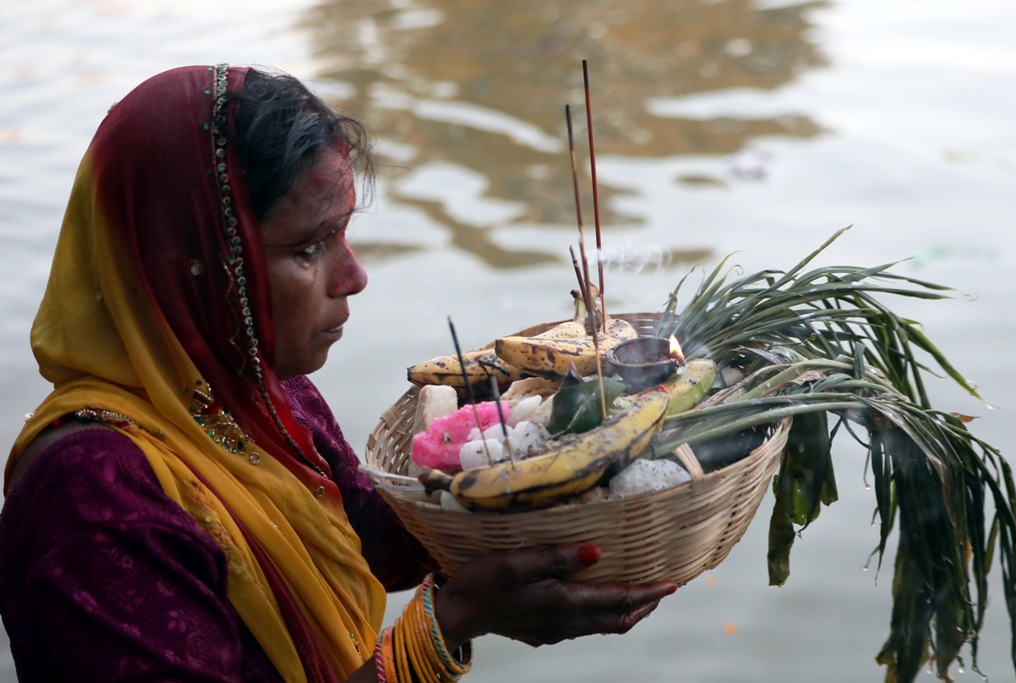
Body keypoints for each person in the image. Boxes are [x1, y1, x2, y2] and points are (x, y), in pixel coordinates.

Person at [0, 64, 676, 682]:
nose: (353, 276)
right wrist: (444, 629)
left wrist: (539, 439)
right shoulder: (91, 502)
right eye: (307, 248)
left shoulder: (259, 388)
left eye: (344, 233)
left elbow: (374, 539)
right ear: (195, 265)